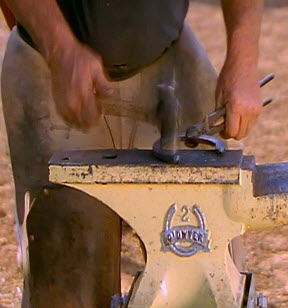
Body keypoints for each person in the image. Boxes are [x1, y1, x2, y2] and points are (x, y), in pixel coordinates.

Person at [0, 0, 264, 306]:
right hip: (50, 66)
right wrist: (60, 49)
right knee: (67, 274)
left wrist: (243, 61)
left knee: (205, 270)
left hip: (167, 59)